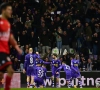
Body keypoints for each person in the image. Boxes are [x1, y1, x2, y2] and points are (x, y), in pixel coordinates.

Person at [0, 2, 22, 90]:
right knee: (10, 70)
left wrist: (16, 47)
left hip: (5, 51)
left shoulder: (8, 24)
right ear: (3, 10)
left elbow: (10, 38)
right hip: (0, 51)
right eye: (9, 9)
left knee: (1, 74)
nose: (11, 11)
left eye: (11, 10)